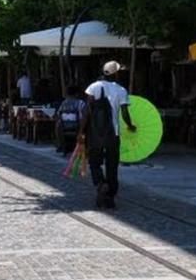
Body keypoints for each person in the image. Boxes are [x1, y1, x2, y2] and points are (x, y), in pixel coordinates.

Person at [79, 61, 136, 208]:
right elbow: (124, 113)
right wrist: (131, 126)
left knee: (94, 162)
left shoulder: (94, 87)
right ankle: (110, 197)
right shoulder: (121, 90)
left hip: (95, 133)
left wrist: (81, 131)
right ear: (116, 74)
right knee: (112, 166)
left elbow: (87, 111)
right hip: (113, 133)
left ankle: (100, 183)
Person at [55, 86, 87, 154]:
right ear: (77, 94)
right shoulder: (81, 103)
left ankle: (60, 144)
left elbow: (58, 114)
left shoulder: (64, 103)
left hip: (65, 127)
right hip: (77, 126)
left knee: (58, 124)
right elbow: (84, 115)